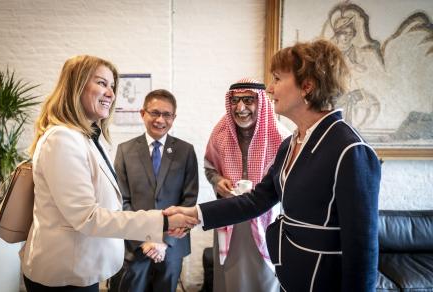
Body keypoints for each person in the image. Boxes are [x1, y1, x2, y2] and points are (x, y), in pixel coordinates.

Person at [165, 39, 381, 292]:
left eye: (278, 79)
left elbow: (363, 248)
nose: (270, 88)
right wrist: (195, 214)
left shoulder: (350, 149)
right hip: (291, 277)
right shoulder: (290, 143)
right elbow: (257, 200)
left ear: (307, 86)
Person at [21, 55, 197, 292]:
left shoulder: (89, 139)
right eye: (102, 83)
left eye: (112, 87)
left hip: (83, 267)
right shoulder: (62, 139)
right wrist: (162, 221)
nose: (111, 94)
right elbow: (88, 217)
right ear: (76, 85)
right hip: (65, 273)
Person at [204, 78, 288, 292]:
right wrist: (217, 181)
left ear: (261, 102)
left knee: (264, 278)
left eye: (248, 100)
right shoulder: (220, 132)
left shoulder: (282, 136)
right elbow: (209, 167)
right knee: (230, 279)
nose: (240, 108)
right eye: (235, 101)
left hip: (267, 220)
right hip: (229, 218)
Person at [113, 89, 199, 292]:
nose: (160, 120)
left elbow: (189, 200)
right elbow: (121, 200)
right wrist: (144, 240)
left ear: (174, 118)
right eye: (155, 113)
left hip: (171, 247)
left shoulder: (185, 151)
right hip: (135, 247)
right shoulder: (125, 150)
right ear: (142, 113)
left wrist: (163, 242)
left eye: (167, 114)